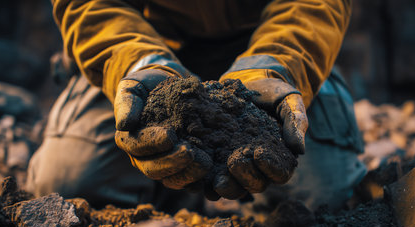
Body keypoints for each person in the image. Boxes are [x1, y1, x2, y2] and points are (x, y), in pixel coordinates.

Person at [26, 0, 366, 212]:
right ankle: (177, 189)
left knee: (323, 198)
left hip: (275, 49)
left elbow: (316, 4)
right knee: (67, 184)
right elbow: (89, 5)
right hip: (145, 50)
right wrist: (140, 63)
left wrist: (275, 64)